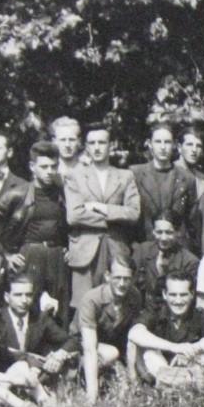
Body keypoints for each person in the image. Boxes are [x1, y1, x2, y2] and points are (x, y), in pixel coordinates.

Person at [64, 123, 141, 310]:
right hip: (85, 251)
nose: (97, 147)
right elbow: (74, 216)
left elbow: (134, 213)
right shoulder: (75, 176)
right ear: (86, 146)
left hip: (116, 247)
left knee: (118, 305)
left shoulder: (125, 176)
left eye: (102, 142)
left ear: (111, 145)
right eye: (92, 143)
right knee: (84, 306)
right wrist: (115, 218)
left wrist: (102, 208)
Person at [127, 272, 204, 389]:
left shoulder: (198, 314)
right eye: (173, 295)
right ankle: (177, 382)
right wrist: (174, 347)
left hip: (188, 365)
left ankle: (173, 384)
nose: (178, 300)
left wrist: (194, 348)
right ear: (164, 294)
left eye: (183, 295)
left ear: (192, 294)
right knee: (144, 347)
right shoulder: (155, 311)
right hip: (159, 366)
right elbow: (134, 333)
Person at [3, 141, 68, 322]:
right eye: (44, 166)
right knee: (30, 306)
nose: (49, 171)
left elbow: (68, 224)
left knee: (59, 308)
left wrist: (68, 247)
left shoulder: (62, 193)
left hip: (56, 255)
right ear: (32, 167)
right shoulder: (18, 193)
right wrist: (7, 253)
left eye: (54, 166)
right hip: (30, 254)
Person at [76, 259, 143, 406]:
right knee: (110, 353)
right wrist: (91, 397)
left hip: (114, 347)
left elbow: (132, 337)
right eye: (117, 278)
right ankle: (85, 380)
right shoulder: (92, 299)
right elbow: (89, 348)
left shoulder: (134, 296)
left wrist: (132, 376)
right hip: (83, 345)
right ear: (107, 276)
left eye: (126, 279)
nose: (122, 283)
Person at [0, 274, 78, 383]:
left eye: (29, 295)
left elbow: (71, 340)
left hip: (35, 375)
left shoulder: (40, 318)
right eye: (18, 295)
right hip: (5, 375)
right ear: (7, 297)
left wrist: (58, 356)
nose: (24, 300)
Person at [129, 122, 198, 246]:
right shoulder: (135, 174)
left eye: (167, 142)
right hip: (144, 247)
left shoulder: (187, 178)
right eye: (158, 142)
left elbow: (192, 222)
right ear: (150, 144)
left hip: (177, 248)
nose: (162, 147)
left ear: (174, 145)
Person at [131, 213, 199, 315]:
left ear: (178, 232)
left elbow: (189, 297)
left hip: (174, 313)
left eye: (169, 232)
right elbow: (132, 285)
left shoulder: (189, 261)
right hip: (143, 312)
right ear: (153, 232)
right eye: (159, 232)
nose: (163, 238)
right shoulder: (142, 251)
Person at [175, 124, 204, 201]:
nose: (194, 150)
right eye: (189, 144)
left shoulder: (202, 178)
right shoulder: (170, 171)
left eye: (198, 146)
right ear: (179, 147)